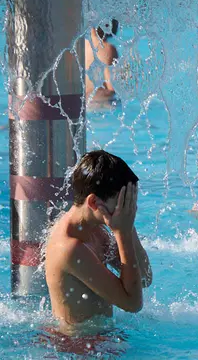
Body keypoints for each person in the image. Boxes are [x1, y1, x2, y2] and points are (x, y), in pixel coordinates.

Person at [45, 150, 152, 333]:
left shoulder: (95, 229)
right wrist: (123, 233)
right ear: (94, 202)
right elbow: (132, 304)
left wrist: (129, 226)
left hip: (98, 342)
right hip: (77, 348)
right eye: (122, 204)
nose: (127, 209)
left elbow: (144, 278)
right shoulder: (69, 248)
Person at [85, 19, 119, 106]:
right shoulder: (108, 48)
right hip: (100, 102)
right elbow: (111, 86)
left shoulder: (81, 46)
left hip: (84, 103)